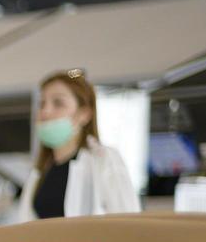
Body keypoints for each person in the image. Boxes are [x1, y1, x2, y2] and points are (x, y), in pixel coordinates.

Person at [14, 68, 140, 222]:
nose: (45, 112)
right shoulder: (41, 171)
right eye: (42, 104)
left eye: (58, 103)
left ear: (84, 114)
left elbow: (128, 224)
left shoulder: (103, 160)